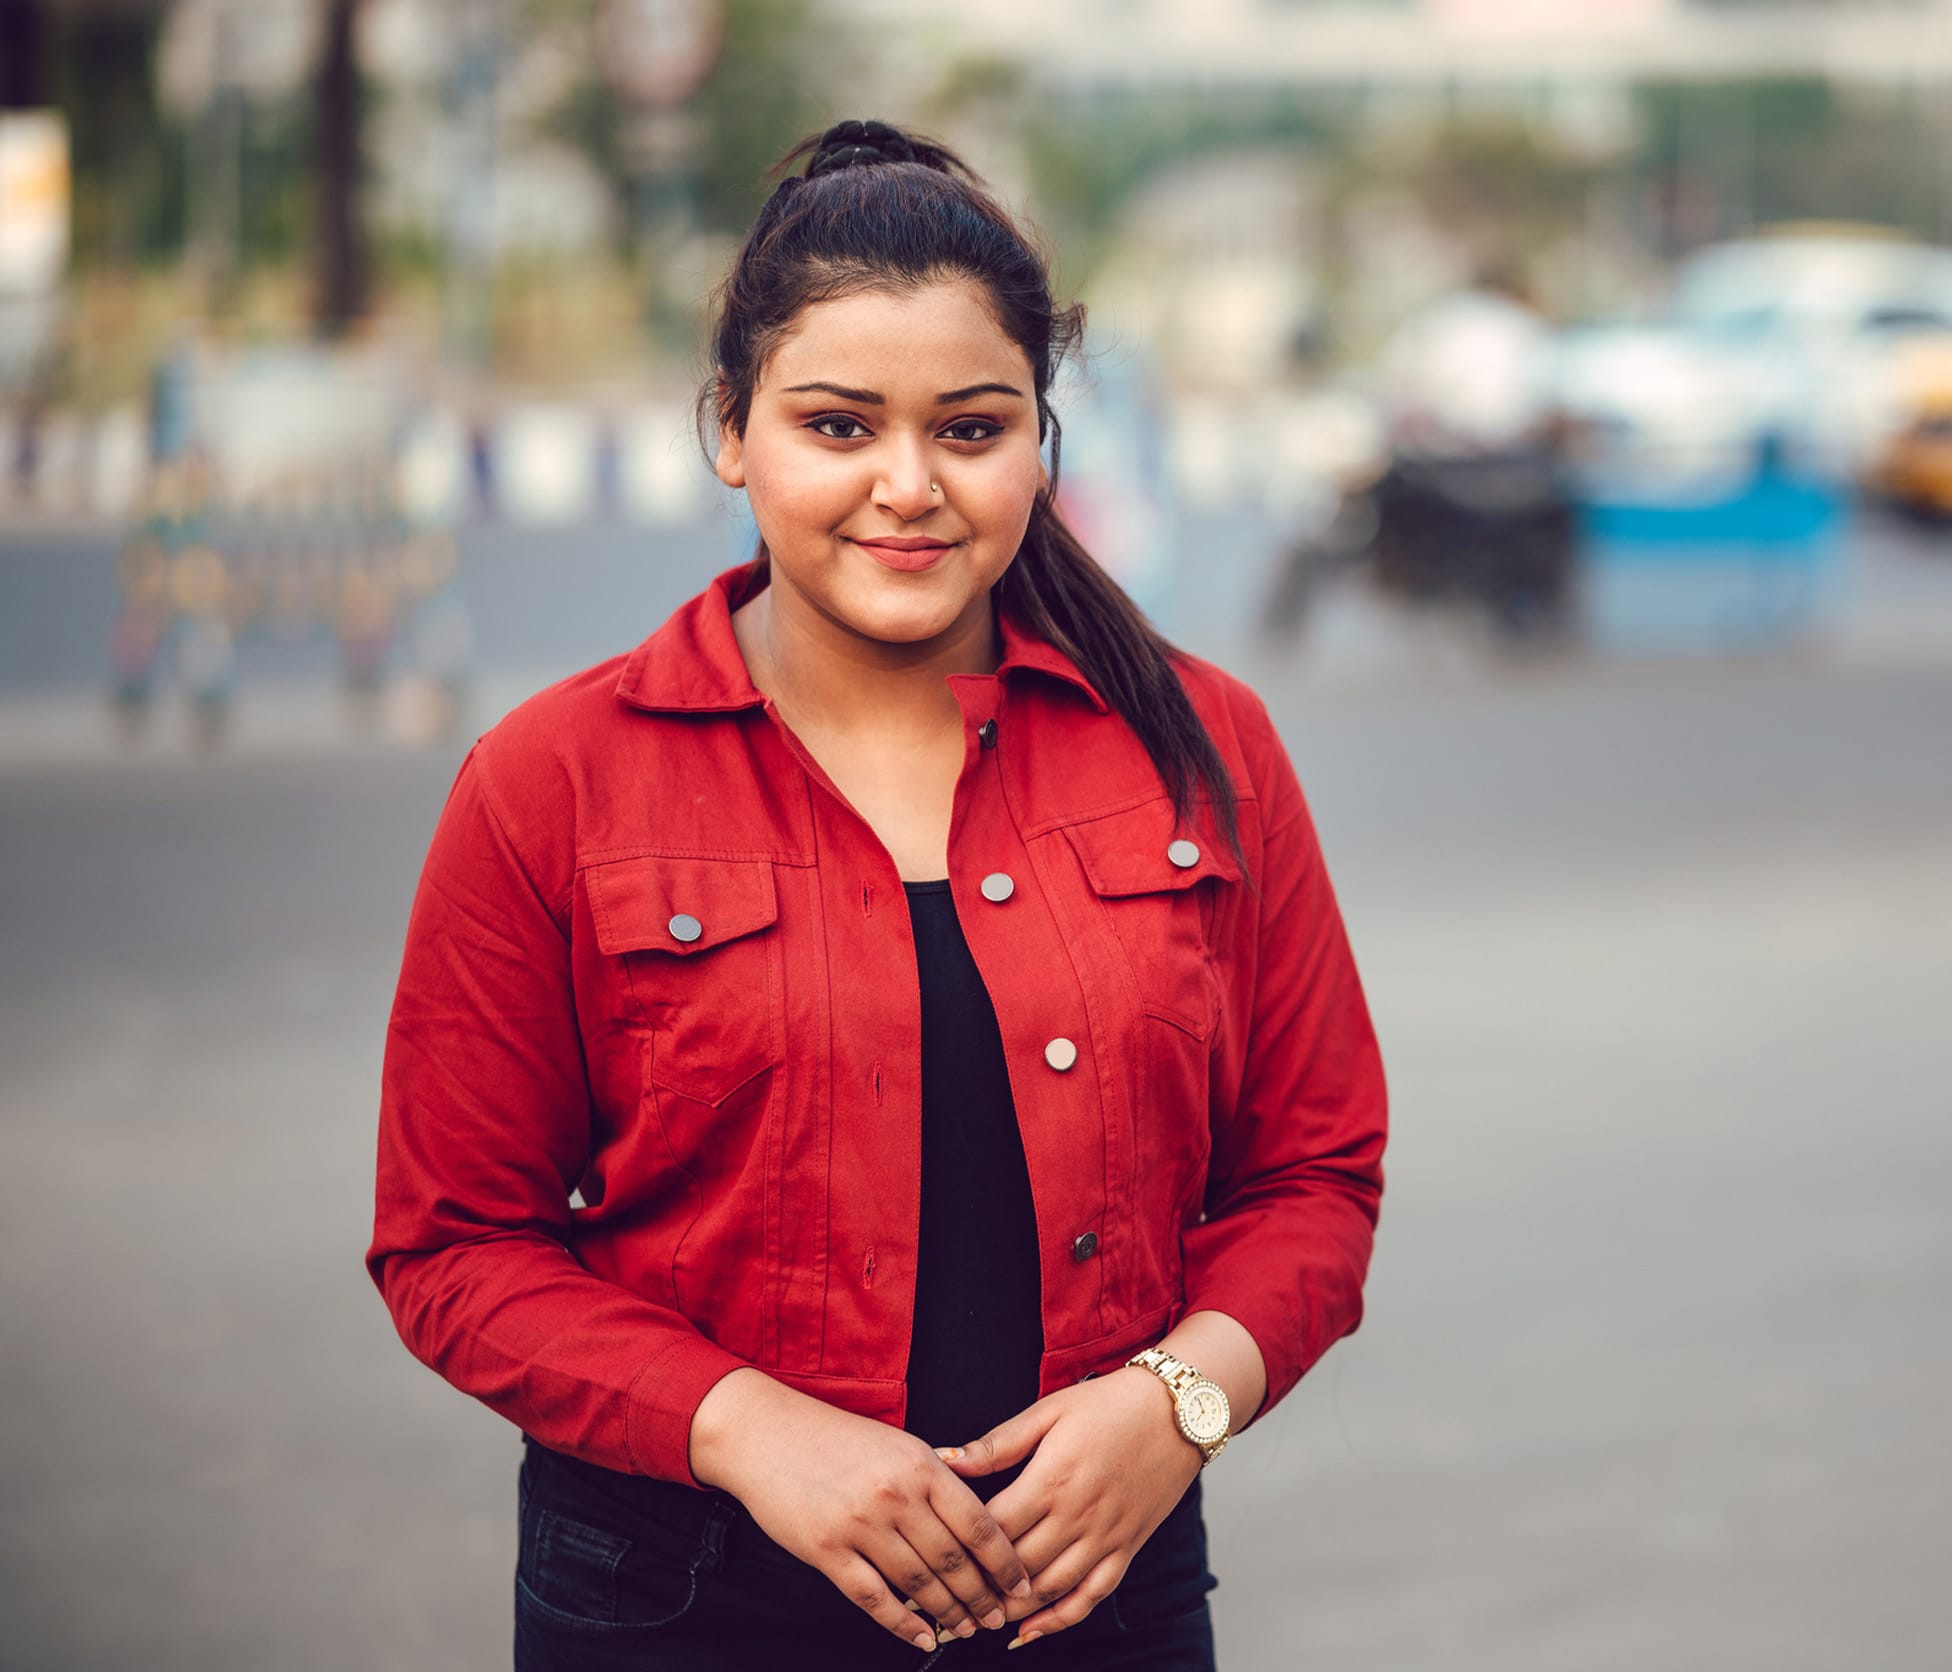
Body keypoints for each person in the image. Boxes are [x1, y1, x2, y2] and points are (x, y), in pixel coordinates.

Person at [367, 118, 1387, 1671]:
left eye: (970, 430)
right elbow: (455, 1245)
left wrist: (1177, 1404)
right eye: (838, 427)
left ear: (1040, 440)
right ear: (731, 427)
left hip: (1096, 1588)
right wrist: (750, 1431)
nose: (907, 488)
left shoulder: (1199, 744)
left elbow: (1316, 1177)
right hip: (677, 1593)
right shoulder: (554, 778)